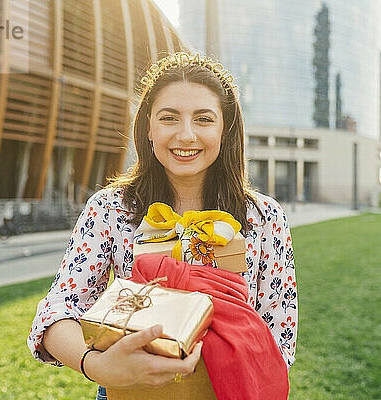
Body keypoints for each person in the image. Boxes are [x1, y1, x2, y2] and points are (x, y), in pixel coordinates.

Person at [27, 52, 297, 397]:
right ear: (149, 128)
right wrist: (95, 364)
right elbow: (57, 311)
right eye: (169, 118)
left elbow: (279, 335)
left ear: (225, 130)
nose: (186, 135)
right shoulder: (110, 209)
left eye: (203, 119)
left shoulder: (264, 218)